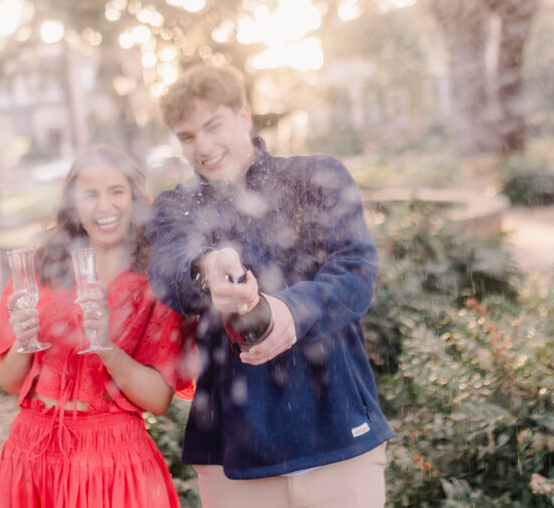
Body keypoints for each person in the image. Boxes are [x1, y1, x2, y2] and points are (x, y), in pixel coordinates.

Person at [146, 63, 394, 508]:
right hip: (232, 453)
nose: (201, 146)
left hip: (338, 434)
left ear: (244, 114)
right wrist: (206, 266)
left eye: (212, 125)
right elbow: (169, 272)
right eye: (186, 136)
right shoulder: (174, 206)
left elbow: (356, 272)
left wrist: (290, 311)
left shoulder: (318, 177)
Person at [0, 145, 196, 508]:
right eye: (89, 194)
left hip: (114, 463)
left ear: (135, 199)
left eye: (116, 191)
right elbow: (10, 381)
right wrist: (22, 341)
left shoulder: (155, 283)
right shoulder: (39, 266)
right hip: (30, 456)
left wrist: (107, 348)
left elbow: (158, 399)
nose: (104, 206)